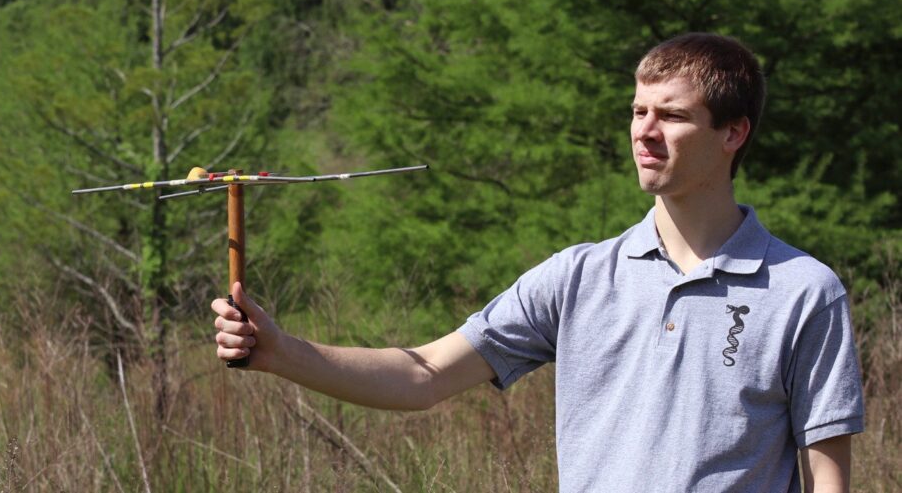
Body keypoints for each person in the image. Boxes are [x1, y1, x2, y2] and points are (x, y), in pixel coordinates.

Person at [212, 33, 864, 492]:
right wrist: (279, 351)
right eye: (638, 110)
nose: (644, 130)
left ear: (733, 132)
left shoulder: (805, 292)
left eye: (671, 114)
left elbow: (828, 478)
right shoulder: (578, 278)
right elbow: (424, 373)